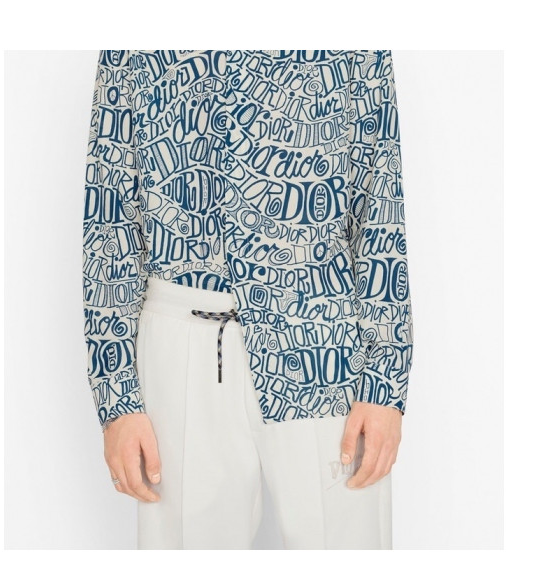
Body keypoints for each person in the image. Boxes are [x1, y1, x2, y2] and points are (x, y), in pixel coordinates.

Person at [82, 50, 414, 550]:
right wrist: (117, 400)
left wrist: (385, 383)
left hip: (321, 337)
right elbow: (110, 220)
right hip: (183, 336)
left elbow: (379, 203)